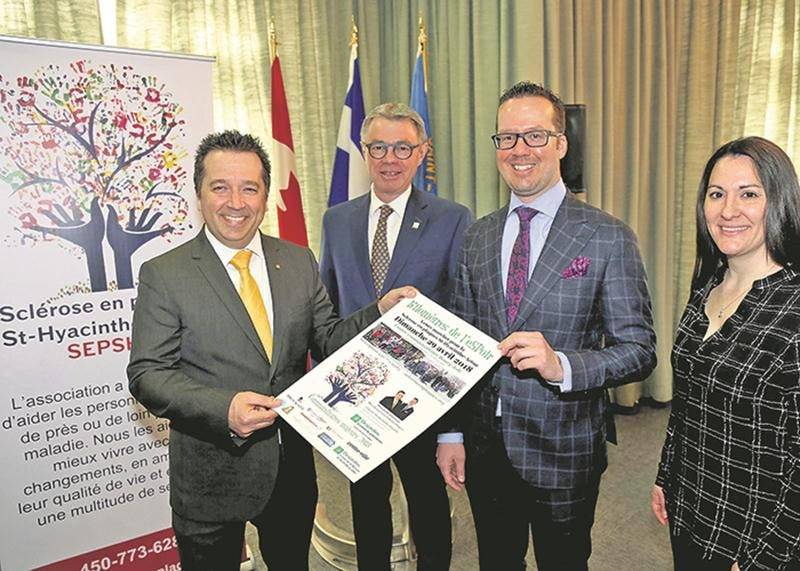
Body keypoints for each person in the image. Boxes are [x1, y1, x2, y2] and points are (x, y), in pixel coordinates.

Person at [127, 130, 414, 571]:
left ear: (264, 195)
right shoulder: (165, 274)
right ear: (199, 194)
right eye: (220, 187)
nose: (236, 203)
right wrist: (225, 408)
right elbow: (148, 373)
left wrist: (379, 310)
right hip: (209, 474)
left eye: (250, 188)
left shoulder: (297, 260)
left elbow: (329, 339)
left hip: (290, 470)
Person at [435, 81, 656, 571]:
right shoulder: (477, 236)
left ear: (561, 143)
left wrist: (563, 366)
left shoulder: (606, 236)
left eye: (535, 136)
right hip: (486, 447)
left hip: (565, 448)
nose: (520, 150)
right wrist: (450, 435)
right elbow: (460, 346)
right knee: (496, 559)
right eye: (507, 138)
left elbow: (638, 350)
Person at [319, 102, 473, 570]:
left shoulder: (451, 218)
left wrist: (453, 427)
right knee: (366, 505)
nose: (390, 158)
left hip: (421, 394)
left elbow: (463, 318)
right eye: (379, 146)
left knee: (427, 502)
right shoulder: (337, 220)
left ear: (422, 152)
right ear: (365, 152)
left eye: (403, 147)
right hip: (357, 393)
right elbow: (328, 309)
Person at [652, 136, 800, 570]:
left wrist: (763, 558)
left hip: (757, 538)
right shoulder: (707, 288)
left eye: (749, 194)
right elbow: (687, 402)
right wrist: (666, 474)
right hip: (691, 514)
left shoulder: (793, 308)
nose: (728, 210)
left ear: (779, 202)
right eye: (716, 194)